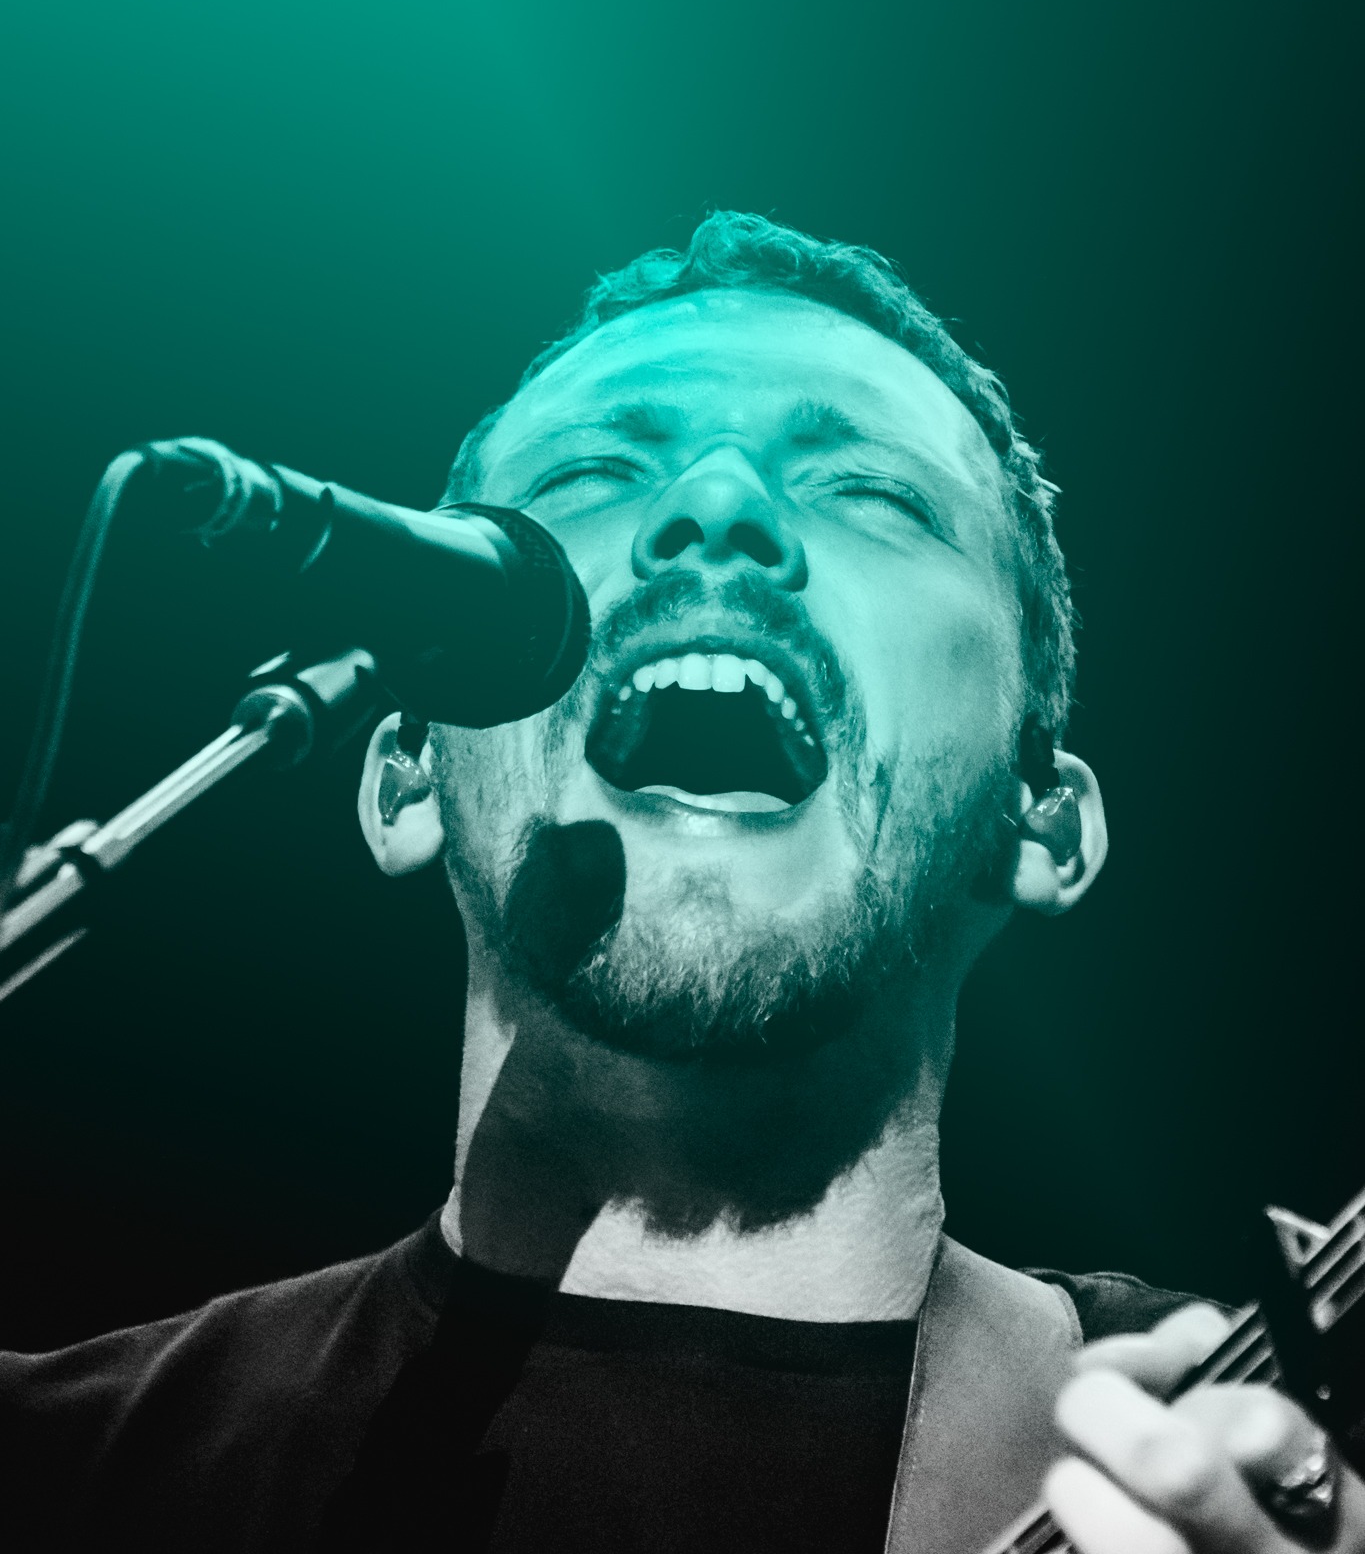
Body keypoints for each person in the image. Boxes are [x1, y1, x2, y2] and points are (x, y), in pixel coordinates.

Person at [1, 211, 1359, 1554]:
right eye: (594, 472)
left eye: (873, 493)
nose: (717, 507)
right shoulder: (54, 1474)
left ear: (1040, 824)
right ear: (407, 773)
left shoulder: (1250, 1446)